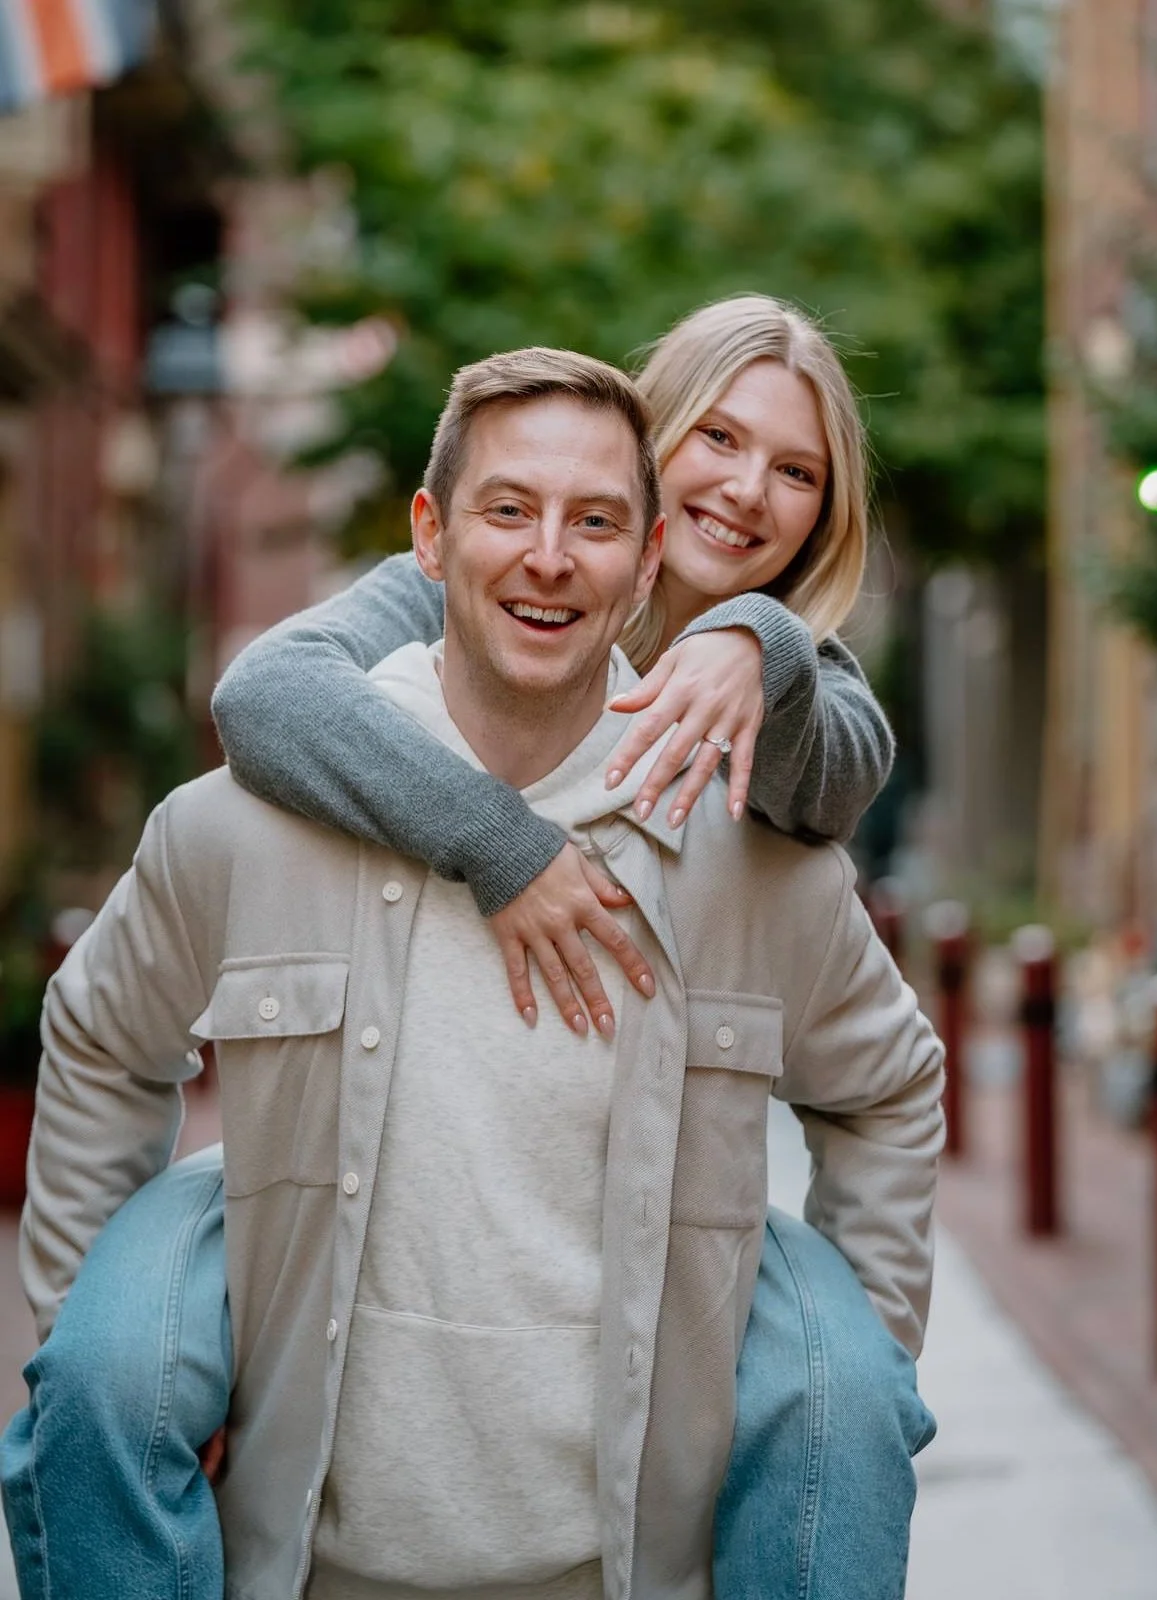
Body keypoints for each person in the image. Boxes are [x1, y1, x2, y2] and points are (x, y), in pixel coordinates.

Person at [1, 321, 937, 1599]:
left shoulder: (774, 777)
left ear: (645, 547)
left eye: (797, 472)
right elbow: (263, 696)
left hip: (646, 1435)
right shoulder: (294, 761)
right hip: (306, 1416)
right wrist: (502, 843)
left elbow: (852, 824)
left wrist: (758, 645)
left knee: (842, 1380)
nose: (747, 489)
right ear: (436, 534)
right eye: (719, 438)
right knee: (101, 1368)